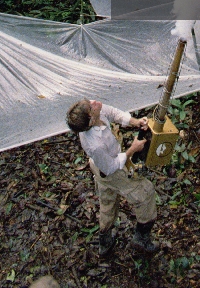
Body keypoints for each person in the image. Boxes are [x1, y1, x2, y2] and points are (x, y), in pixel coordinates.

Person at [66, 98, 159, 257]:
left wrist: (135, 122)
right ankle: (141, 239)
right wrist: (133, 149)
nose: (95, 102)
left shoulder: (95, 112)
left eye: (90, 101)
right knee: (145, 192)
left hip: (103, 164)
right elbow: (110, 167)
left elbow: (112, 113)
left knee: (108, 200)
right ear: (91, 119)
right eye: (92, 106)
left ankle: (105, 241)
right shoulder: (94, 144)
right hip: (109, 169)